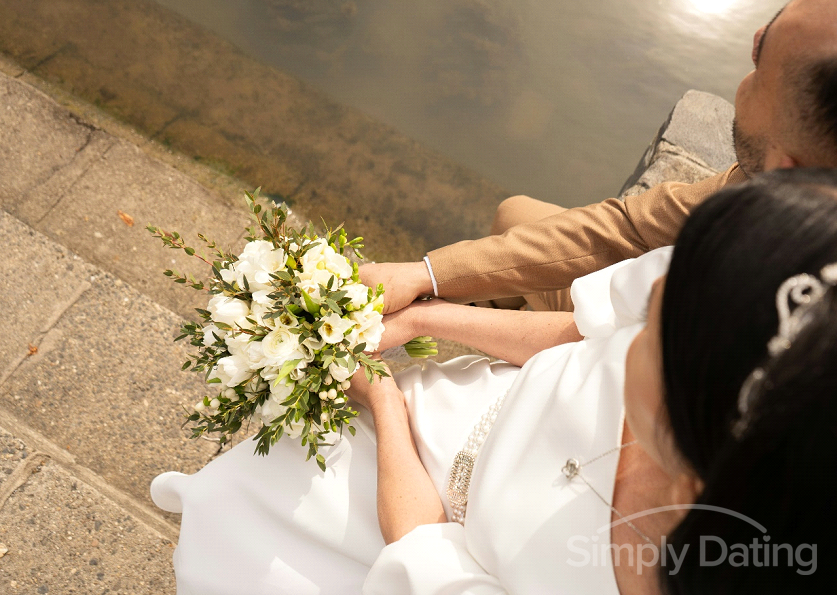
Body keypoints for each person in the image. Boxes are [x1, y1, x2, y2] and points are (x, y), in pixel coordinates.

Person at [151, 168, 837, 593]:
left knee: (243, 520)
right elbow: (583, 331)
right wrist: (425, 313)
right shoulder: (721, 318)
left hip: (410, 515)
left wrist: (386, 404)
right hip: (474, 404)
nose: (650, 297)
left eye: (652, 330)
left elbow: (423, 551)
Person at [360, 0, 837, 314]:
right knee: (515, 215)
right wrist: (428, 275)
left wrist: (430, 319)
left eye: (760, 60)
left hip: (634, 370)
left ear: (784, 171)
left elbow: (607, 350)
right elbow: (627, 226)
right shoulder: (780, 180)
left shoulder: (774, 307)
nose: (750, 50)